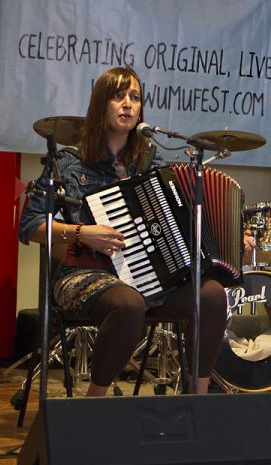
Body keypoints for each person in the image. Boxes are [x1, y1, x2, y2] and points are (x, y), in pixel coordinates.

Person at [19, 66, 256, 396]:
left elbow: (182, 220)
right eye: (118, 97)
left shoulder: (152, 163)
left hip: (152, 278)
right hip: (84, 275)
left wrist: (231, 240)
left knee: (213, 296)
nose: (127, 104)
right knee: (129, 305)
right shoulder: (67, 162)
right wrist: (82, 233)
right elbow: (30, 225)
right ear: (101, 105)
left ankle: (197, 401)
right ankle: (94, 403)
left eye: (135, 97)